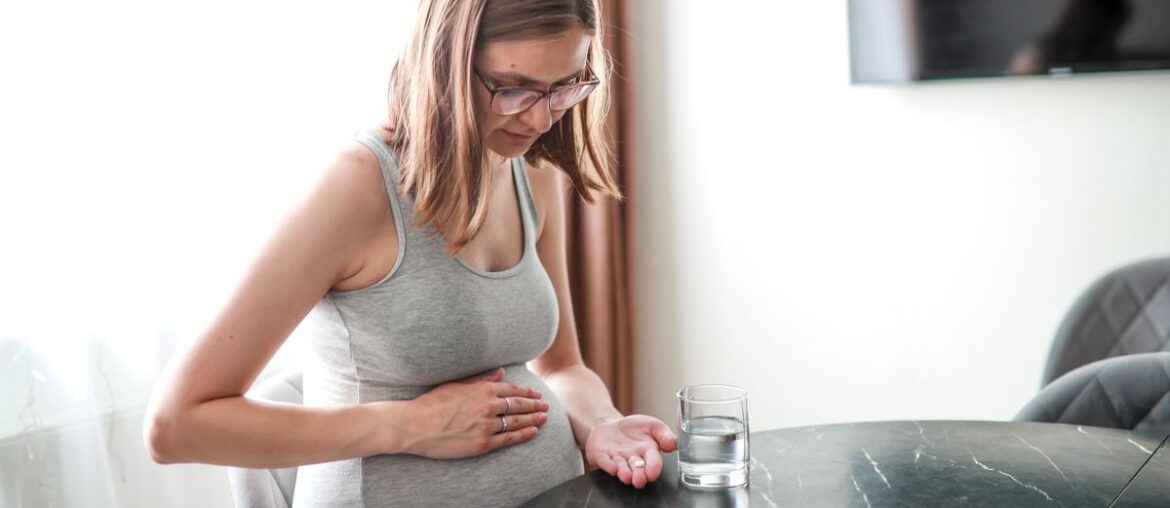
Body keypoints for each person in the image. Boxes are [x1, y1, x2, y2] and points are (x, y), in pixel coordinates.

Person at [142, 0, 677, 505]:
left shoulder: (529, 173)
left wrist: (601, 423)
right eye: (514, 88)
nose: (539, 121)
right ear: (445, 62)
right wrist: (412, 425)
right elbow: (176, 424)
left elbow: (561, 366)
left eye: (563, 88)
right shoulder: (359, 189)